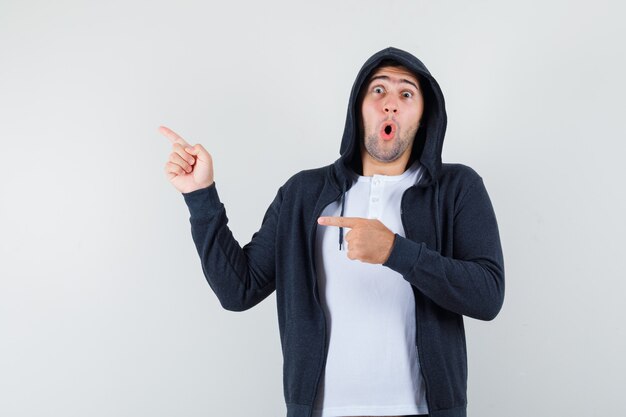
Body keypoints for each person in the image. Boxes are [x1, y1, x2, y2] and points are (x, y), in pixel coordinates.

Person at [161, 47, 505, 417]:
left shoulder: (456, 187)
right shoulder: (303, 194)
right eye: (378, 90)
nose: (391, 104)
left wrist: (394, 251)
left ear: (423, 117)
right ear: (358, 109)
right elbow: (238, 290)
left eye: (406, 93)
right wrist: (200, 196)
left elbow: (487, 296)